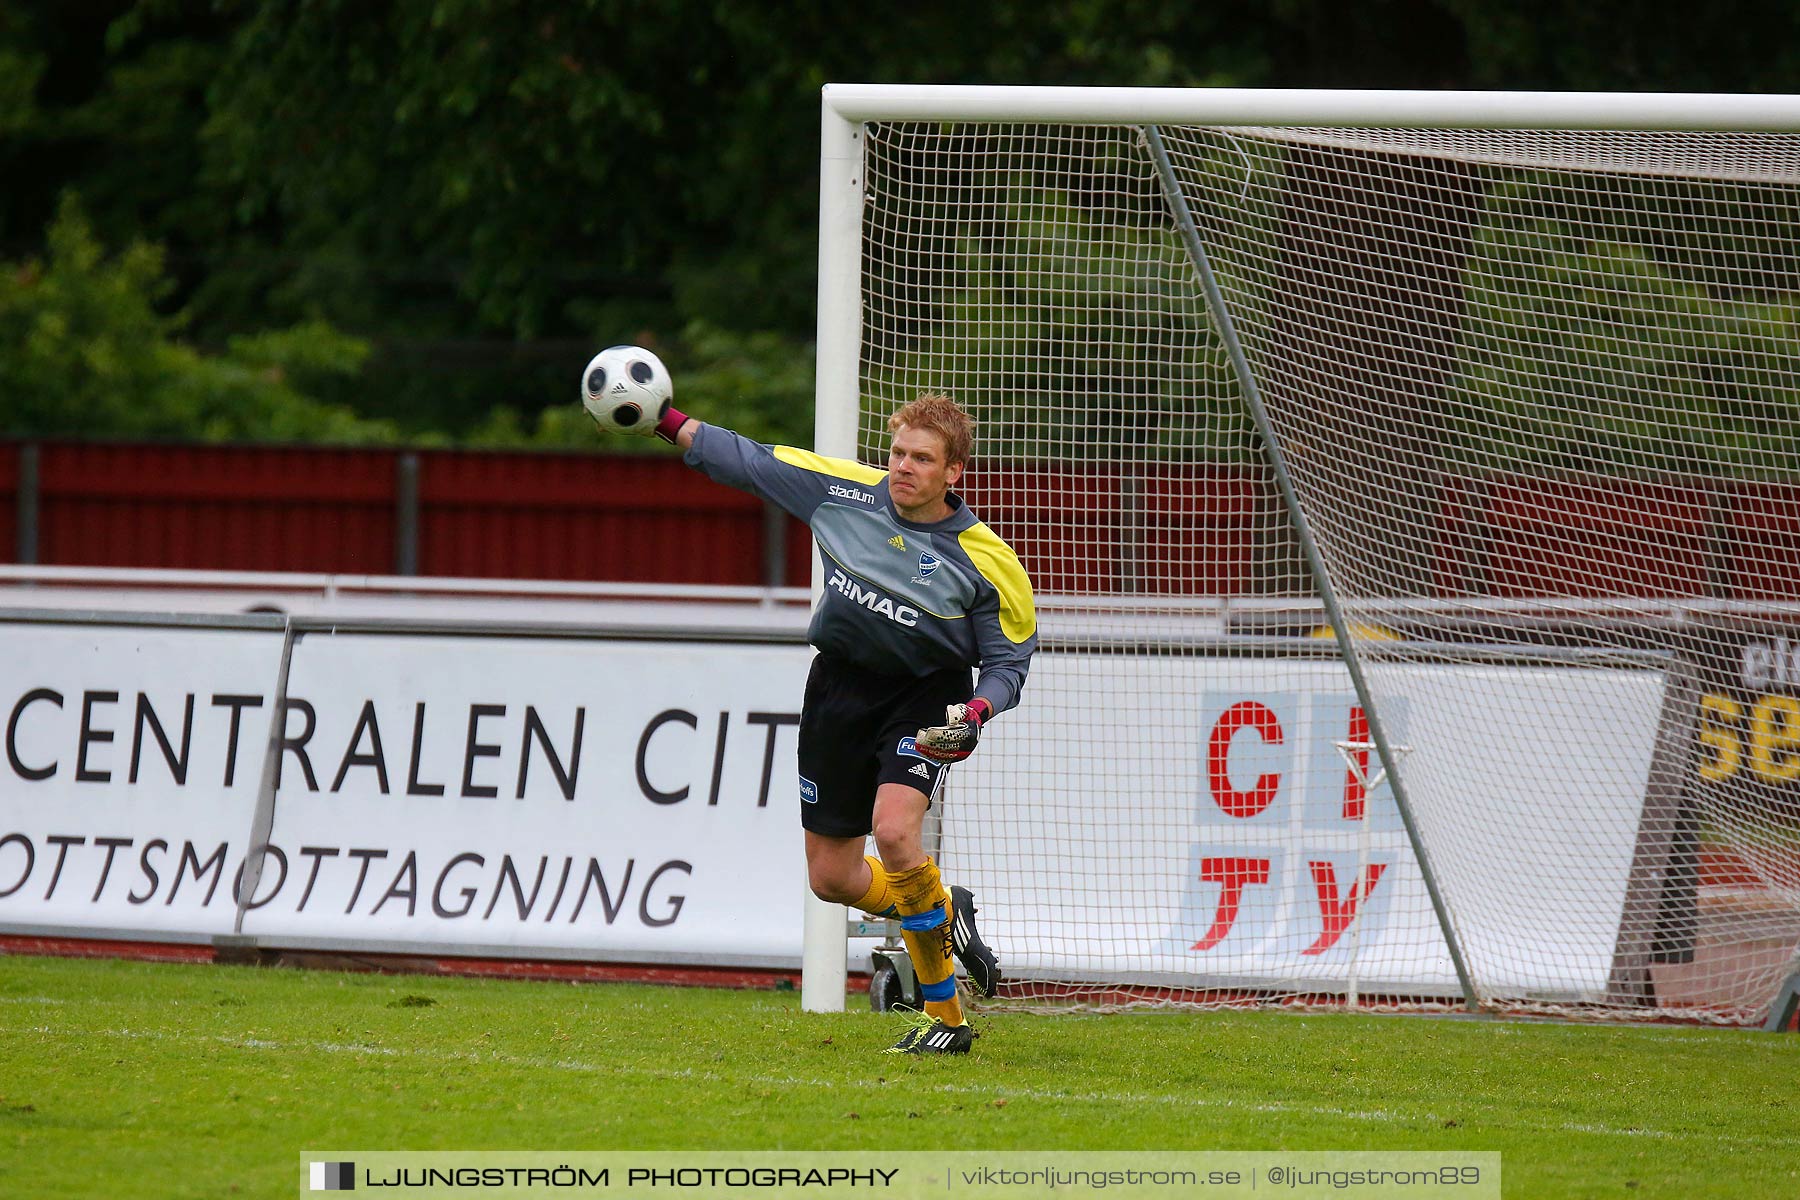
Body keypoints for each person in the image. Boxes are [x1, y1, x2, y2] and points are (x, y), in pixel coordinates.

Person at [626, 380, 1037, 1054]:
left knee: (897, 836)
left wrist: (978, 710)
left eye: (923, 459)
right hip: (837, 691)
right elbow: (748, 459)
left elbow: (1009, 661)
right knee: (832, 879)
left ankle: (947, 1021)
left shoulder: (988, 560)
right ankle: (943, 905)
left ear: (954, 473)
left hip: (924, 697)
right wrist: (662, 420)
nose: (903, 467)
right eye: (898, 453)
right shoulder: (843, 492)